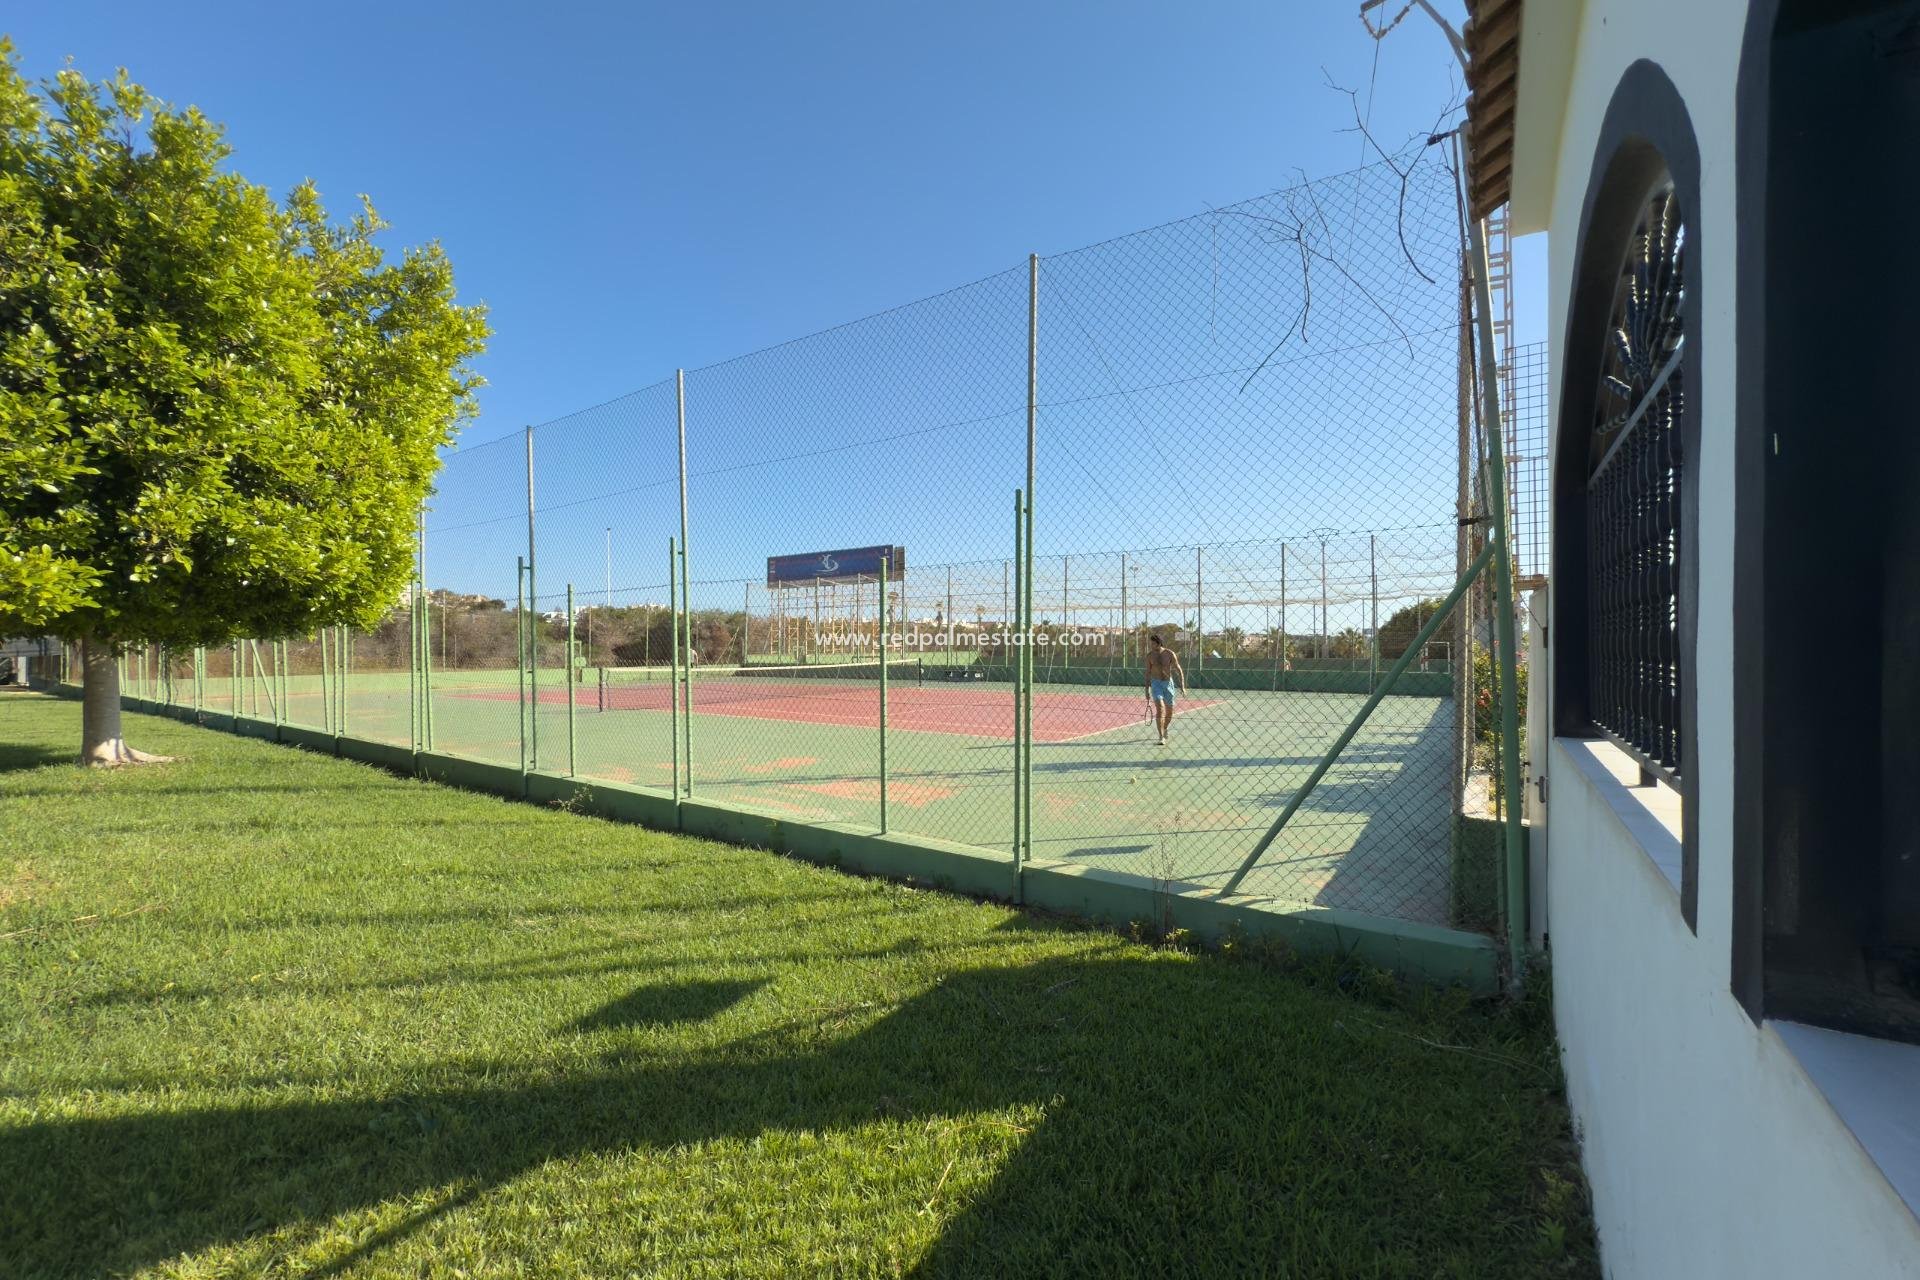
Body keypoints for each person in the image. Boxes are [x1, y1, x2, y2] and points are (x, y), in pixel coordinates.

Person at [1143, 633, 1186, 746]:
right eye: (1150, 643)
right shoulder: (1150, 656)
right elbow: (1147, 673)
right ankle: (1161, 736)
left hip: (1168, 684)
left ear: (1158, 643)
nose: (1151, 645)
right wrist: (1146, 689)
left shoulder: (1169, 654)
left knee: (1170, 712)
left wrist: (1182, 686)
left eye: (1153, 643)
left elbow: (1178, 669)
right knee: (1160, 709)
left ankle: (1165, 728)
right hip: (1156, 684)